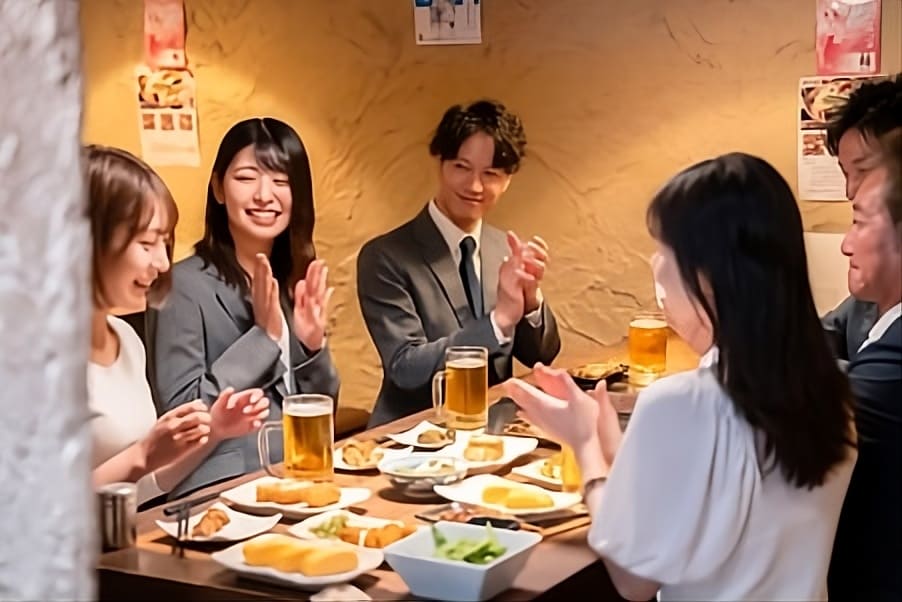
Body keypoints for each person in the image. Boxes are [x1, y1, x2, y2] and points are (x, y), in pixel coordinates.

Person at [505, 153, 857, 600]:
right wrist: (612, 442)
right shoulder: (833, 391)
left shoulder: (682, 400)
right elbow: (709, 491)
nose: (655, 265)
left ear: (707, 274)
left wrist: (585, 445)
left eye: (664, 251)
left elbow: (633, 579)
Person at [148, 118, 339, 498]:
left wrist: (312, 348)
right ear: (219, 188)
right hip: (222, 488)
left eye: (281, 181)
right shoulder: (180, 286)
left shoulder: (292, 281)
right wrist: (263, 338)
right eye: (247, 178)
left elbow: (323, 412)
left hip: (302, 473)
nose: (264, 195)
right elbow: (183, 415)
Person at [356, 99, 561, 427]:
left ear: (508, 179)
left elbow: (542, 355)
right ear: (440, 163)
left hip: (493, 430)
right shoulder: (385, 256)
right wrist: (498, 322)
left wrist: (531, 300)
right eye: (461, 168)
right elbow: (406, 368)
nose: (475, 186)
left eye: (490, 174)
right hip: (412, 435)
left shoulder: (503, 248)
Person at [85, 145, 269, 506]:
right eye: (146, 243)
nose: (163, 263)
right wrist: (142, 454)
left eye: (165, 243)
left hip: (125, 533)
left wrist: (214, 430)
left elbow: (143, 484)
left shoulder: (125, 339)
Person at [827, 126, 902, 601]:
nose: (845, 244)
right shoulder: (874, 314)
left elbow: (791, 435)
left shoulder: (896, 358)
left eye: (859, 222)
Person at [822, 74, 901, 354]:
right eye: (846, 173)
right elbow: (831, 330)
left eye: (863, 170)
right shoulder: (872, 279)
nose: (851, 191)